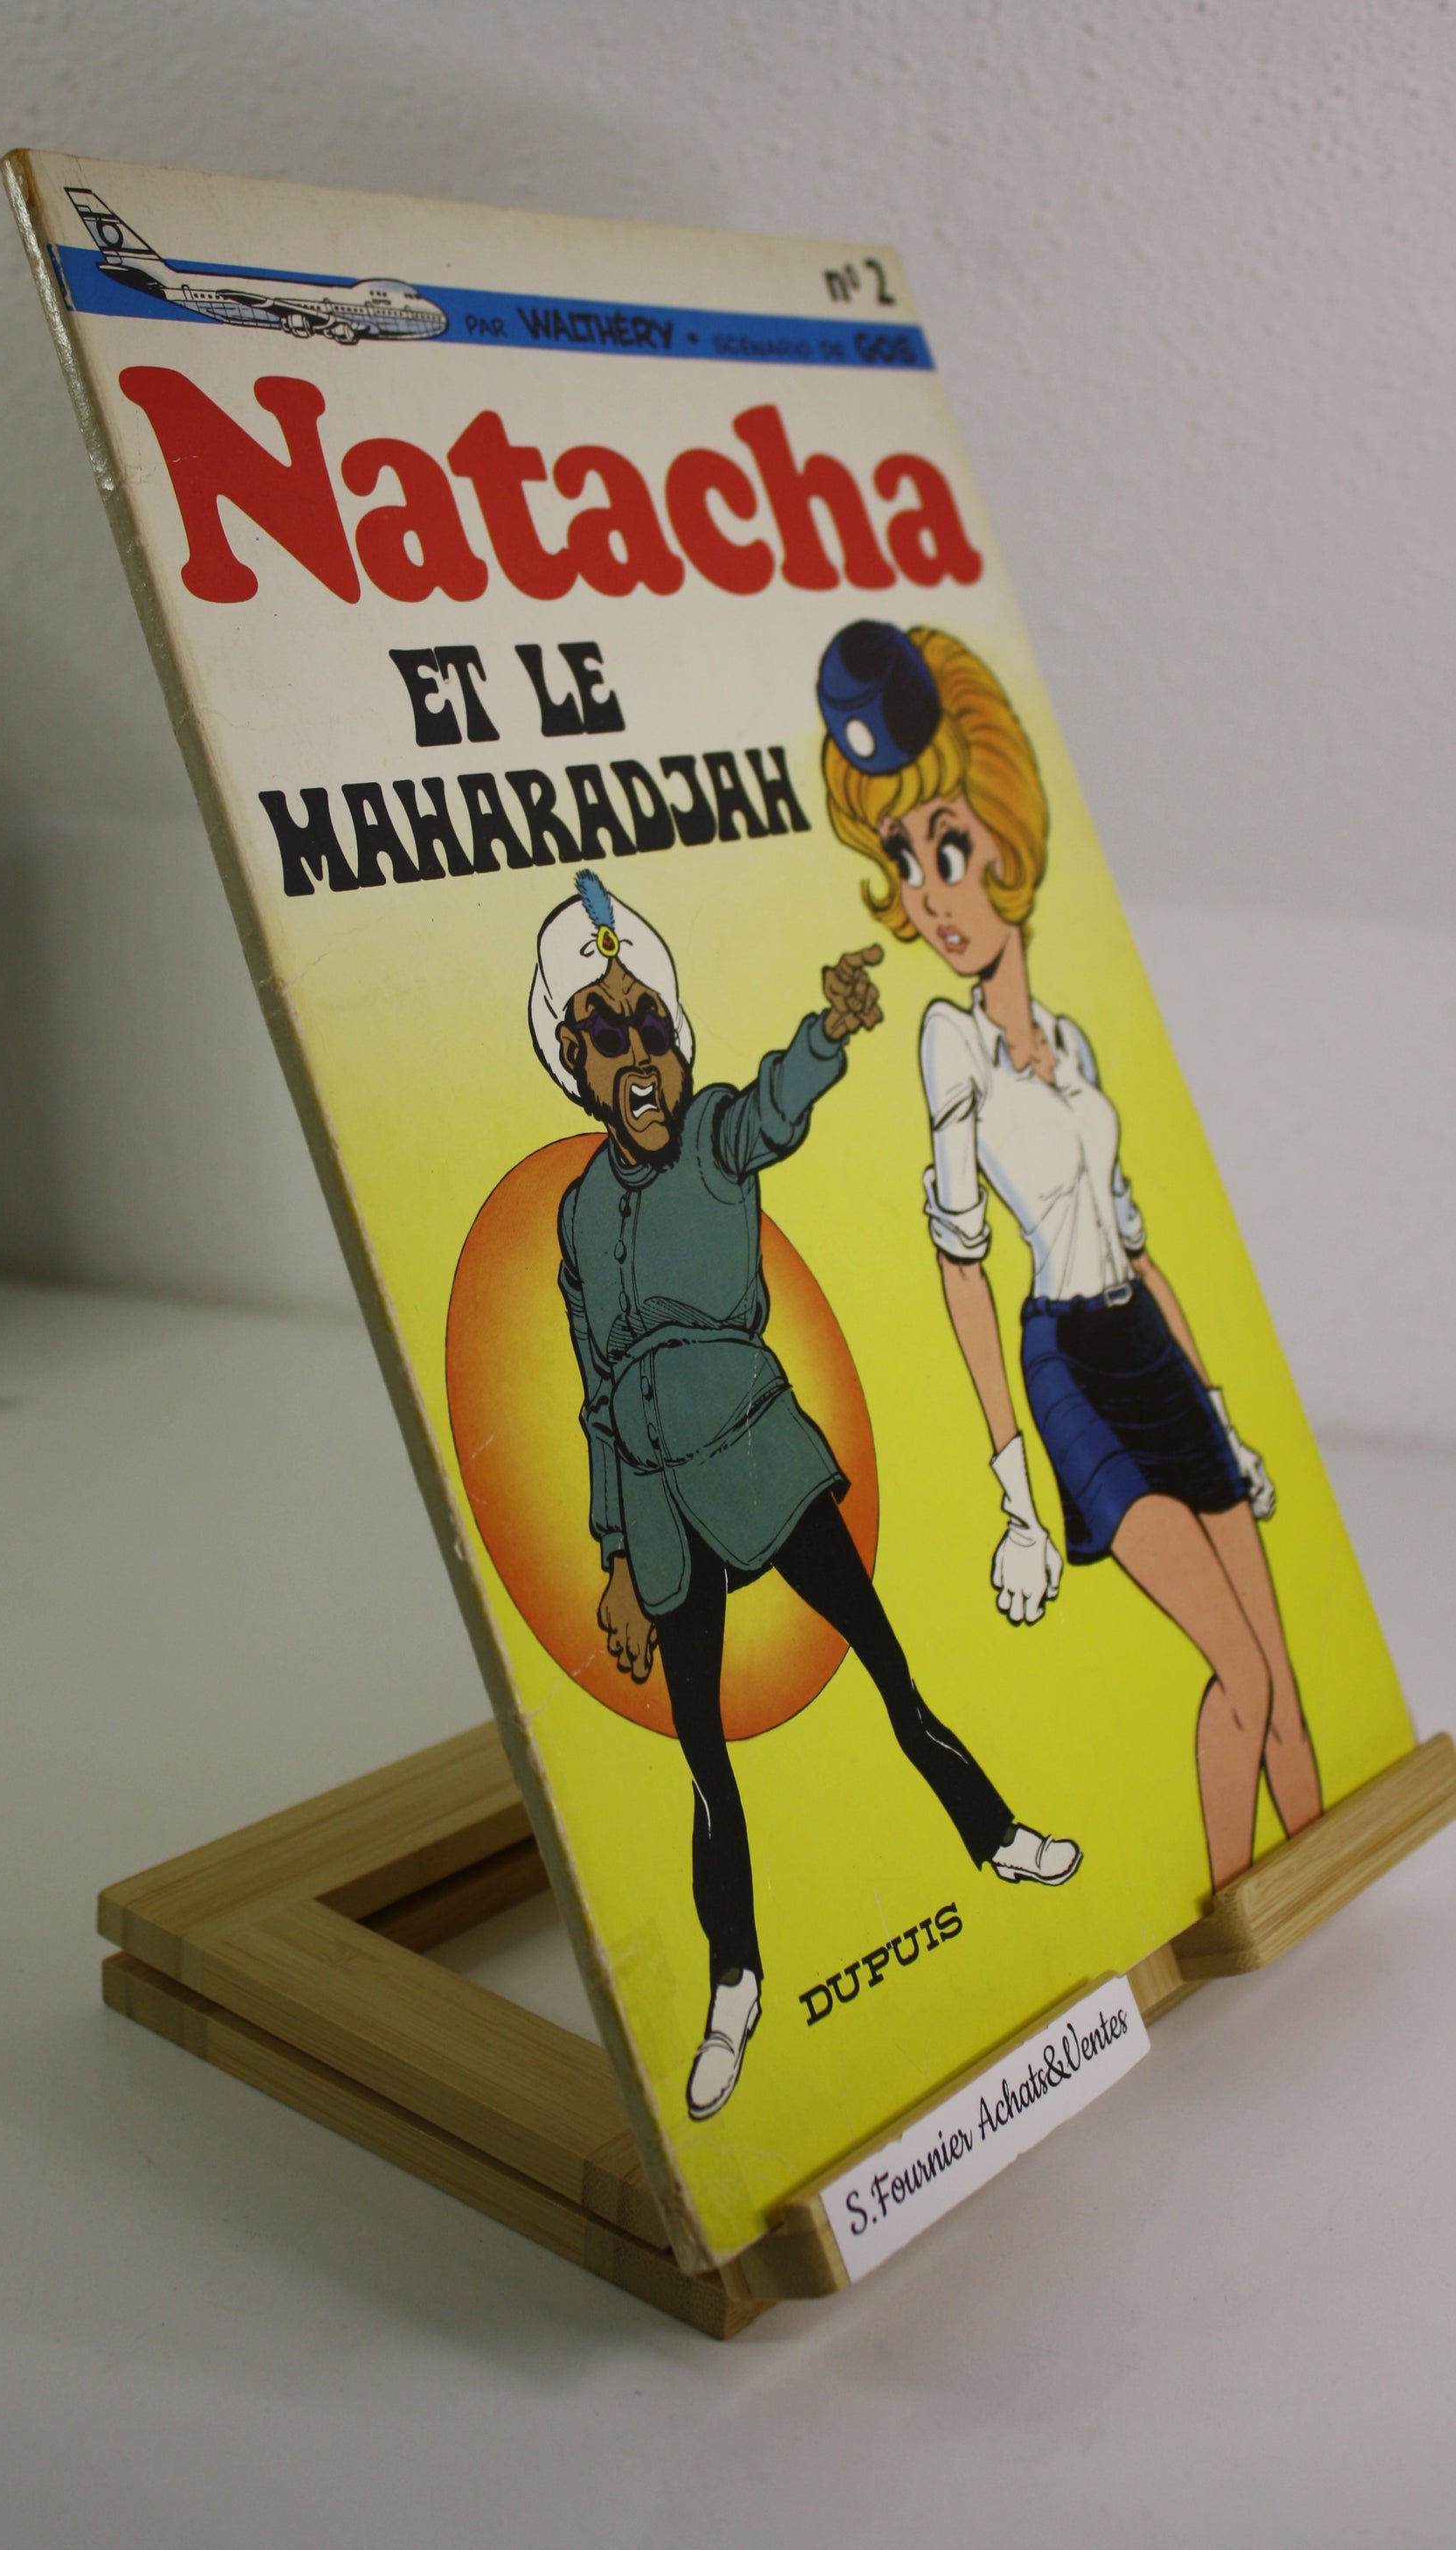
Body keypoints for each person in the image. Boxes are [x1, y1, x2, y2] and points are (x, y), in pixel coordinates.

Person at [530, 867, 1081, 2124]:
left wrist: (827, 1030)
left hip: (760, 1459)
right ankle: (734, 1983)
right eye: (606, 1035)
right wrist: (615, 1555)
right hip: (662, 1516)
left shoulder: (715, 1137)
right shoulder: (578, 1215)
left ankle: (995, 1835)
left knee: (888, 1668)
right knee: (704, 1760)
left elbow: (772, 1109)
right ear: (575, 1063)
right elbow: (593, 1392)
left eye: (652, 1028)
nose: (638, 1056)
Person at [818, 620, 1321, 1891]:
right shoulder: (951, 1048)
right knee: (1238, 1672)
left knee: (1287, 1679)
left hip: (1147, 1349)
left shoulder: (1077, 1047)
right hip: (1070, 1369)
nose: (928, 895)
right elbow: (963, 1267)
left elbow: (1139, 1251)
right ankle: (1231, 1921)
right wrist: (1015, 1502)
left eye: (947, 849)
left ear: (1006, 838)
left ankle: (1320, 1895)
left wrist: (1221, 1414)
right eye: (903, 860)